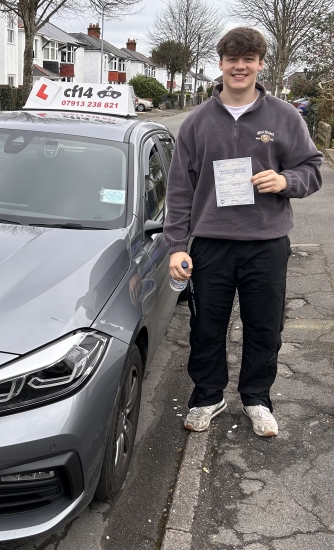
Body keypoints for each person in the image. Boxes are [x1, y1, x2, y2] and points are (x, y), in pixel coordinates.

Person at [163, 27, 323, 437]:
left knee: (265, 326)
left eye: (248, 59)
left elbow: (311, 169)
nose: (240, 66)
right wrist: (177, 246)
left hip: (267, 244)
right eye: (233, 59)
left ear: (260, 64)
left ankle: (256, 398)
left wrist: (286, 181)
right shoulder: (197, 122)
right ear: (220, 64)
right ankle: (208, 396)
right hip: (211, 244)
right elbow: (180, 189)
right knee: (206, 327)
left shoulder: (284, 116)